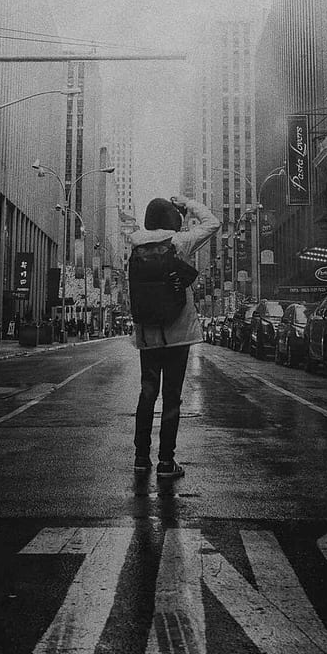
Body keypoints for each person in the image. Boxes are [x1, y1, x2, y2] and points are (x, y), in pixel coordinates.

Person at [130, 193, 221, 488]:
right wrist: (187, 203)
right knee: (171, 398)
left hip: (148, 334)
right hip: (178, 333)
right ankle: (167, 462)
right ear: (172, 217)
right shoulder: (178, 242)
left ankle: (141, 459)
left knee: (147, 394)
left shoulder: (134, 245)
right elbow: (213, 222)